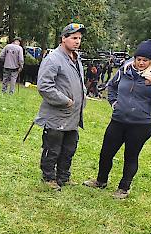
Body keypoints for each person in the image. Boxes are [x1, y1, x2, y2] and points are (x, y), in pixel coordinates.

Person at [83, 39, 151, 198]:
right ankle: (101, 181)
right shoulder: (125, 70)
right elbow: (112, 86)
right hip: (119, 119)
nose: (141, 63)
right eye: (139, 59)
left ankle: (124, 188)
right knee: (106, 152)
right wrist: (114, 102)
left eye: (145, 60)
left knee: (131, 155)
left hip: (141, 124)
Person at [34, 23, 87, 191]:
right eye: (73, 38)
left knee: (69, 148)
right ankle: (49, 177)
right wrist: (65, 100)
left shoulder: (76, 58)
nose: (77, 41)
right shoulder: (53, 59)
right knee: (53, 148)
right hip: (57, 114)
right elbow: (44, 86)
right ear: (63, 38)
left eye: (79, 38)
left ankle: (63, 176)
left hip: (73, 115)